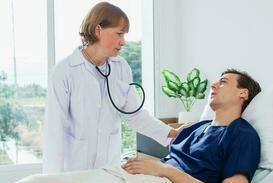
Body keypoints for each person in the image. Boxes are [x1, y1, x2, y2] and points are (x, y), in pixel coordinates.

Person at [43, 2, 181, 173]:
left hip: (110, 168)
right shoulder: (64, 71)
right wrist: (52, 180)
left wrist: (171, 133)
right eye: (119, 34)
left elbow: (135, 115)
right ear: (98, 30)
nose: (123, 42)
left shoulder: (121, 68)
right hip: (74, 171)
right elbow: (55, 131)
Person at [122, 69, 262, 183]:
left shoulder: (242, 135)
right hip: (143, 180)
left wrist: (165, 170)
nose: (213, 85)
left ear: (243, 93)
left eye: (223, 82)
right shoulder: (194, 127)